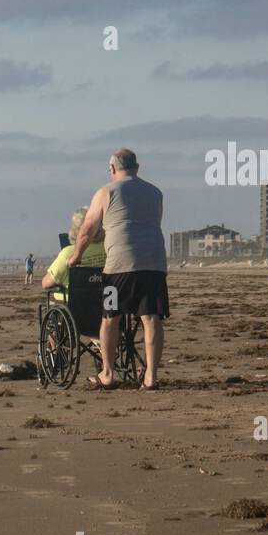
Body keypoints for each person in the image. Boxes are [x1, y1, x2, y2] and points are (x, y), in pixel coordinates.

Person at [69, 148, 168, 391]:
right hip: (153, 264)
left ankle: (108, 373)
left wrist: (76, 257)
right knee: (150, 317)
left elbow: (87, 229)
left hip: (119, 268)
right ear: (137, 167)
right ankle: (151, 377)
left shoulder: (106, 192)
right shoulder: (155, 192)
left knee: (110, 316)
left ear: (112, 169)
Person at [41, 209, 106, 302]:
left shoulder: (69, 252)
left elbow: (46, 283)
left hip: (75, 303)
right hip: (106, 301)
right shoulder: (109, 249)